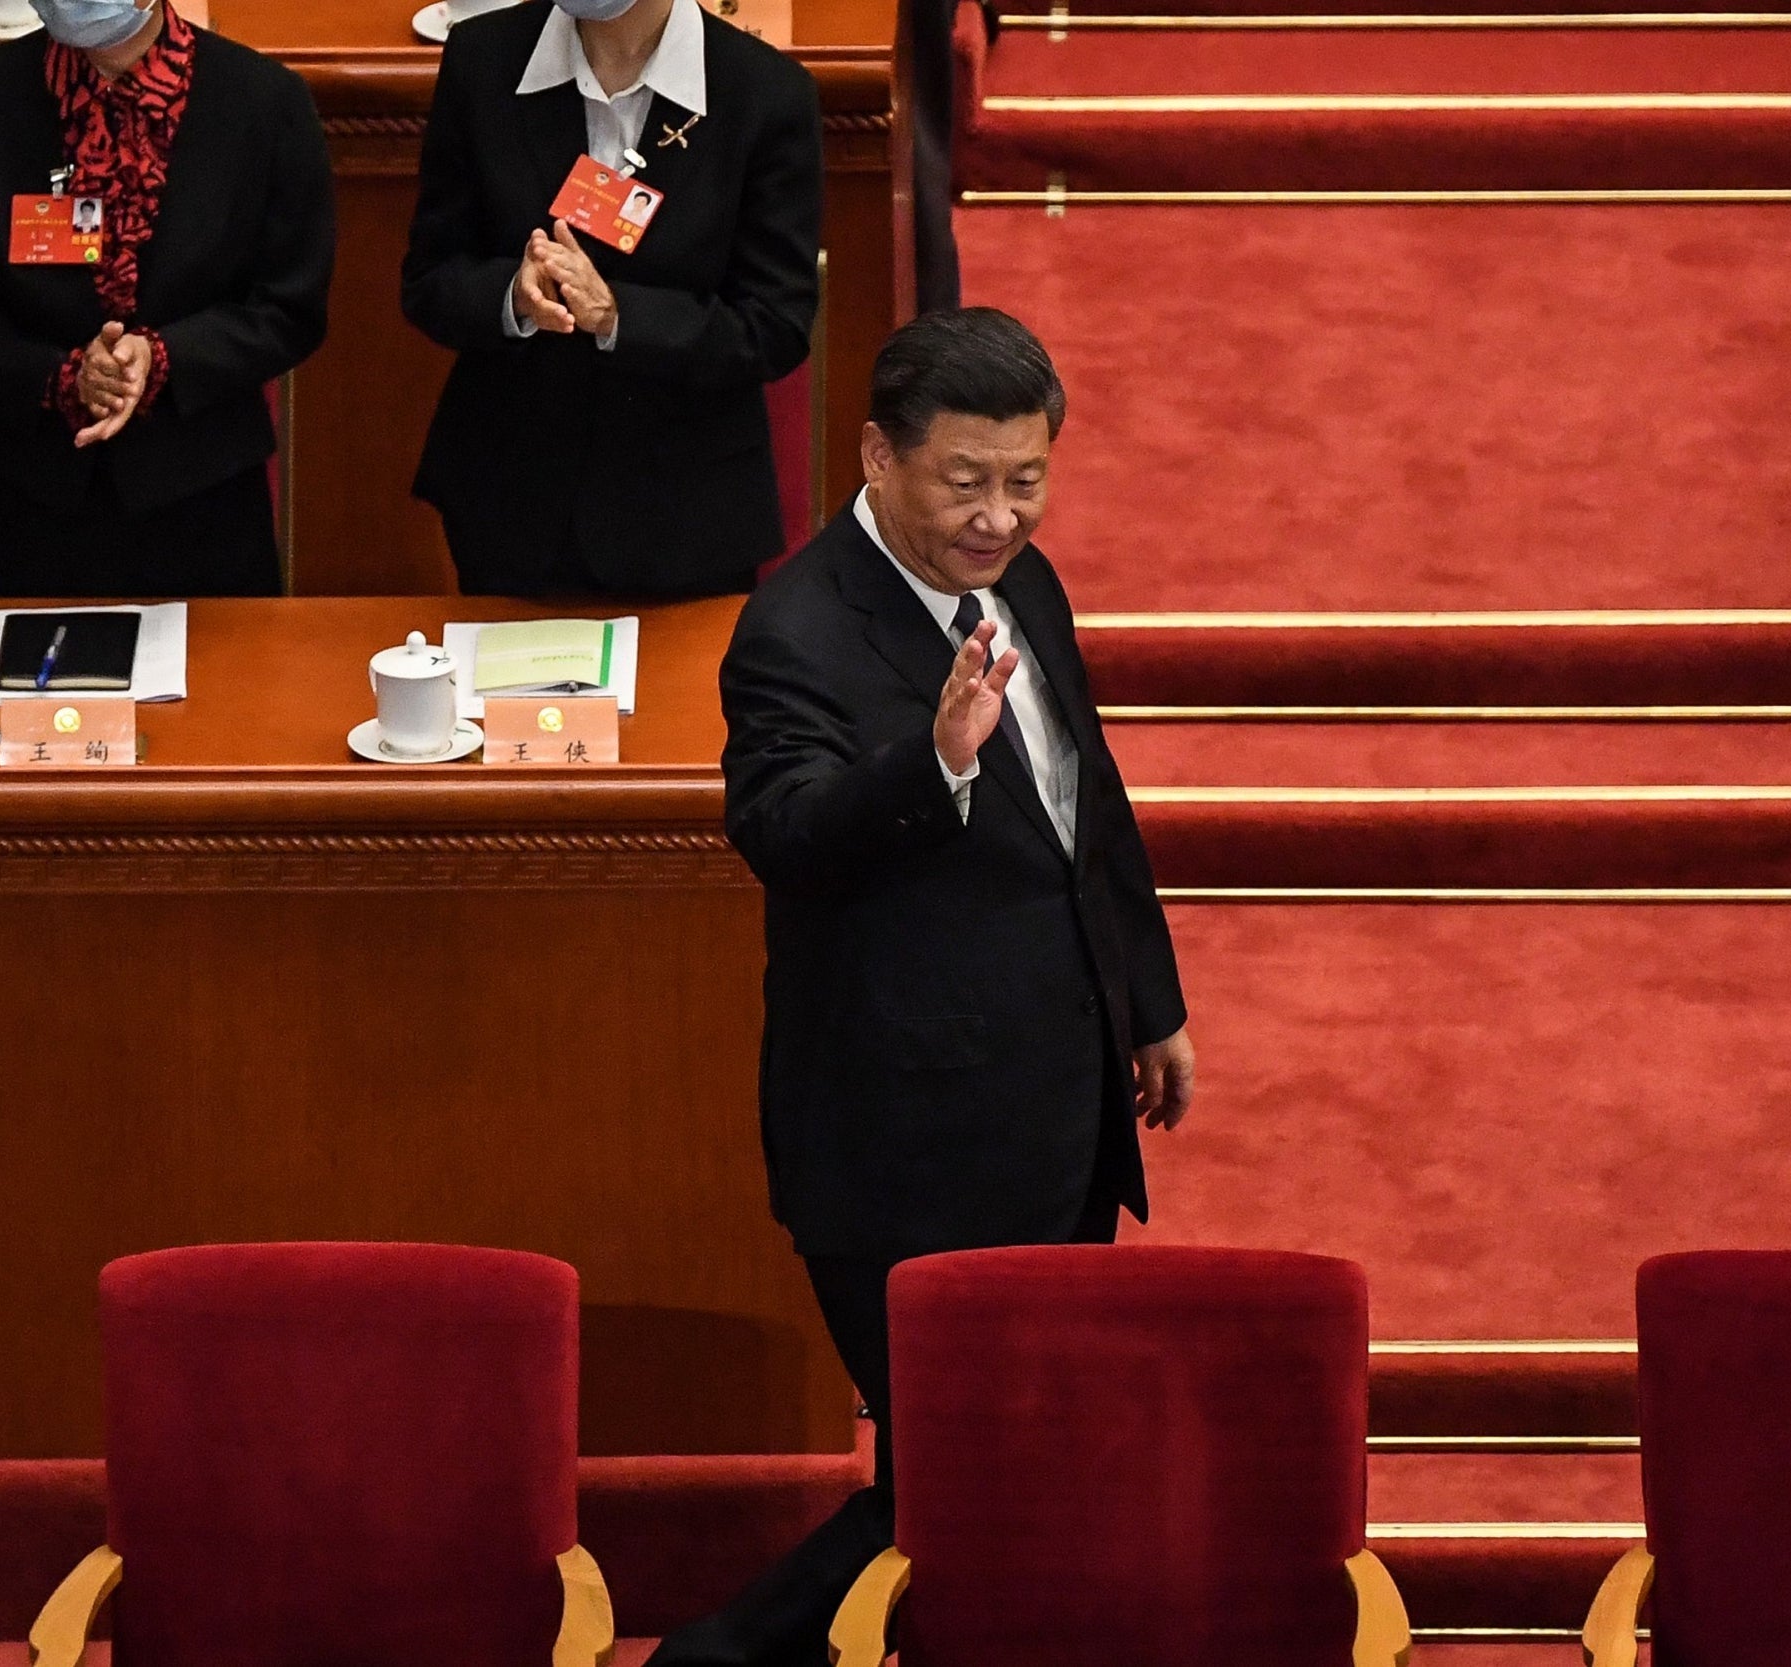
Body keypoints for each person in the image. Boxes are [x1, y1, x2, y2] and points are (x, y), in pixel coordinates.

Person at [674, 307, 1196, 1665]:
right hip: (903, 1145)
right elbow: (780, 832)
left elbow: (1089, 797)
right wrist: (939, 762)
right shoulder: (796, 625)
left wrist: (1148, 993)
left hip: (1055, 1111)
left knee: (1009, 1455)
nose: (998, 514)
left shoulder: (1026, 581)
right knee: (958, 1474)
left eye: (1027, 479)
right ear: (879, 456)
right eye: (967, 480)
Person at [0, 0, 334, 597]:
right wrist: (65, 376)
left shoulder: (264, 101)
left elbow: (290, 308)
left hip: (202, 499)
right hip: (19, 497)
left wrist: (161, 359)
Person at [402, 0, 821, 599]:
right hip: (508, 496)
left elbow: (775, 325)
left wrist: (620, 316)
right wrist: (513, 297)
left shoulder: (764, 94)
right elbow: (430, 279)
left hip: (687, 516)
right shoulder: (482, 59)